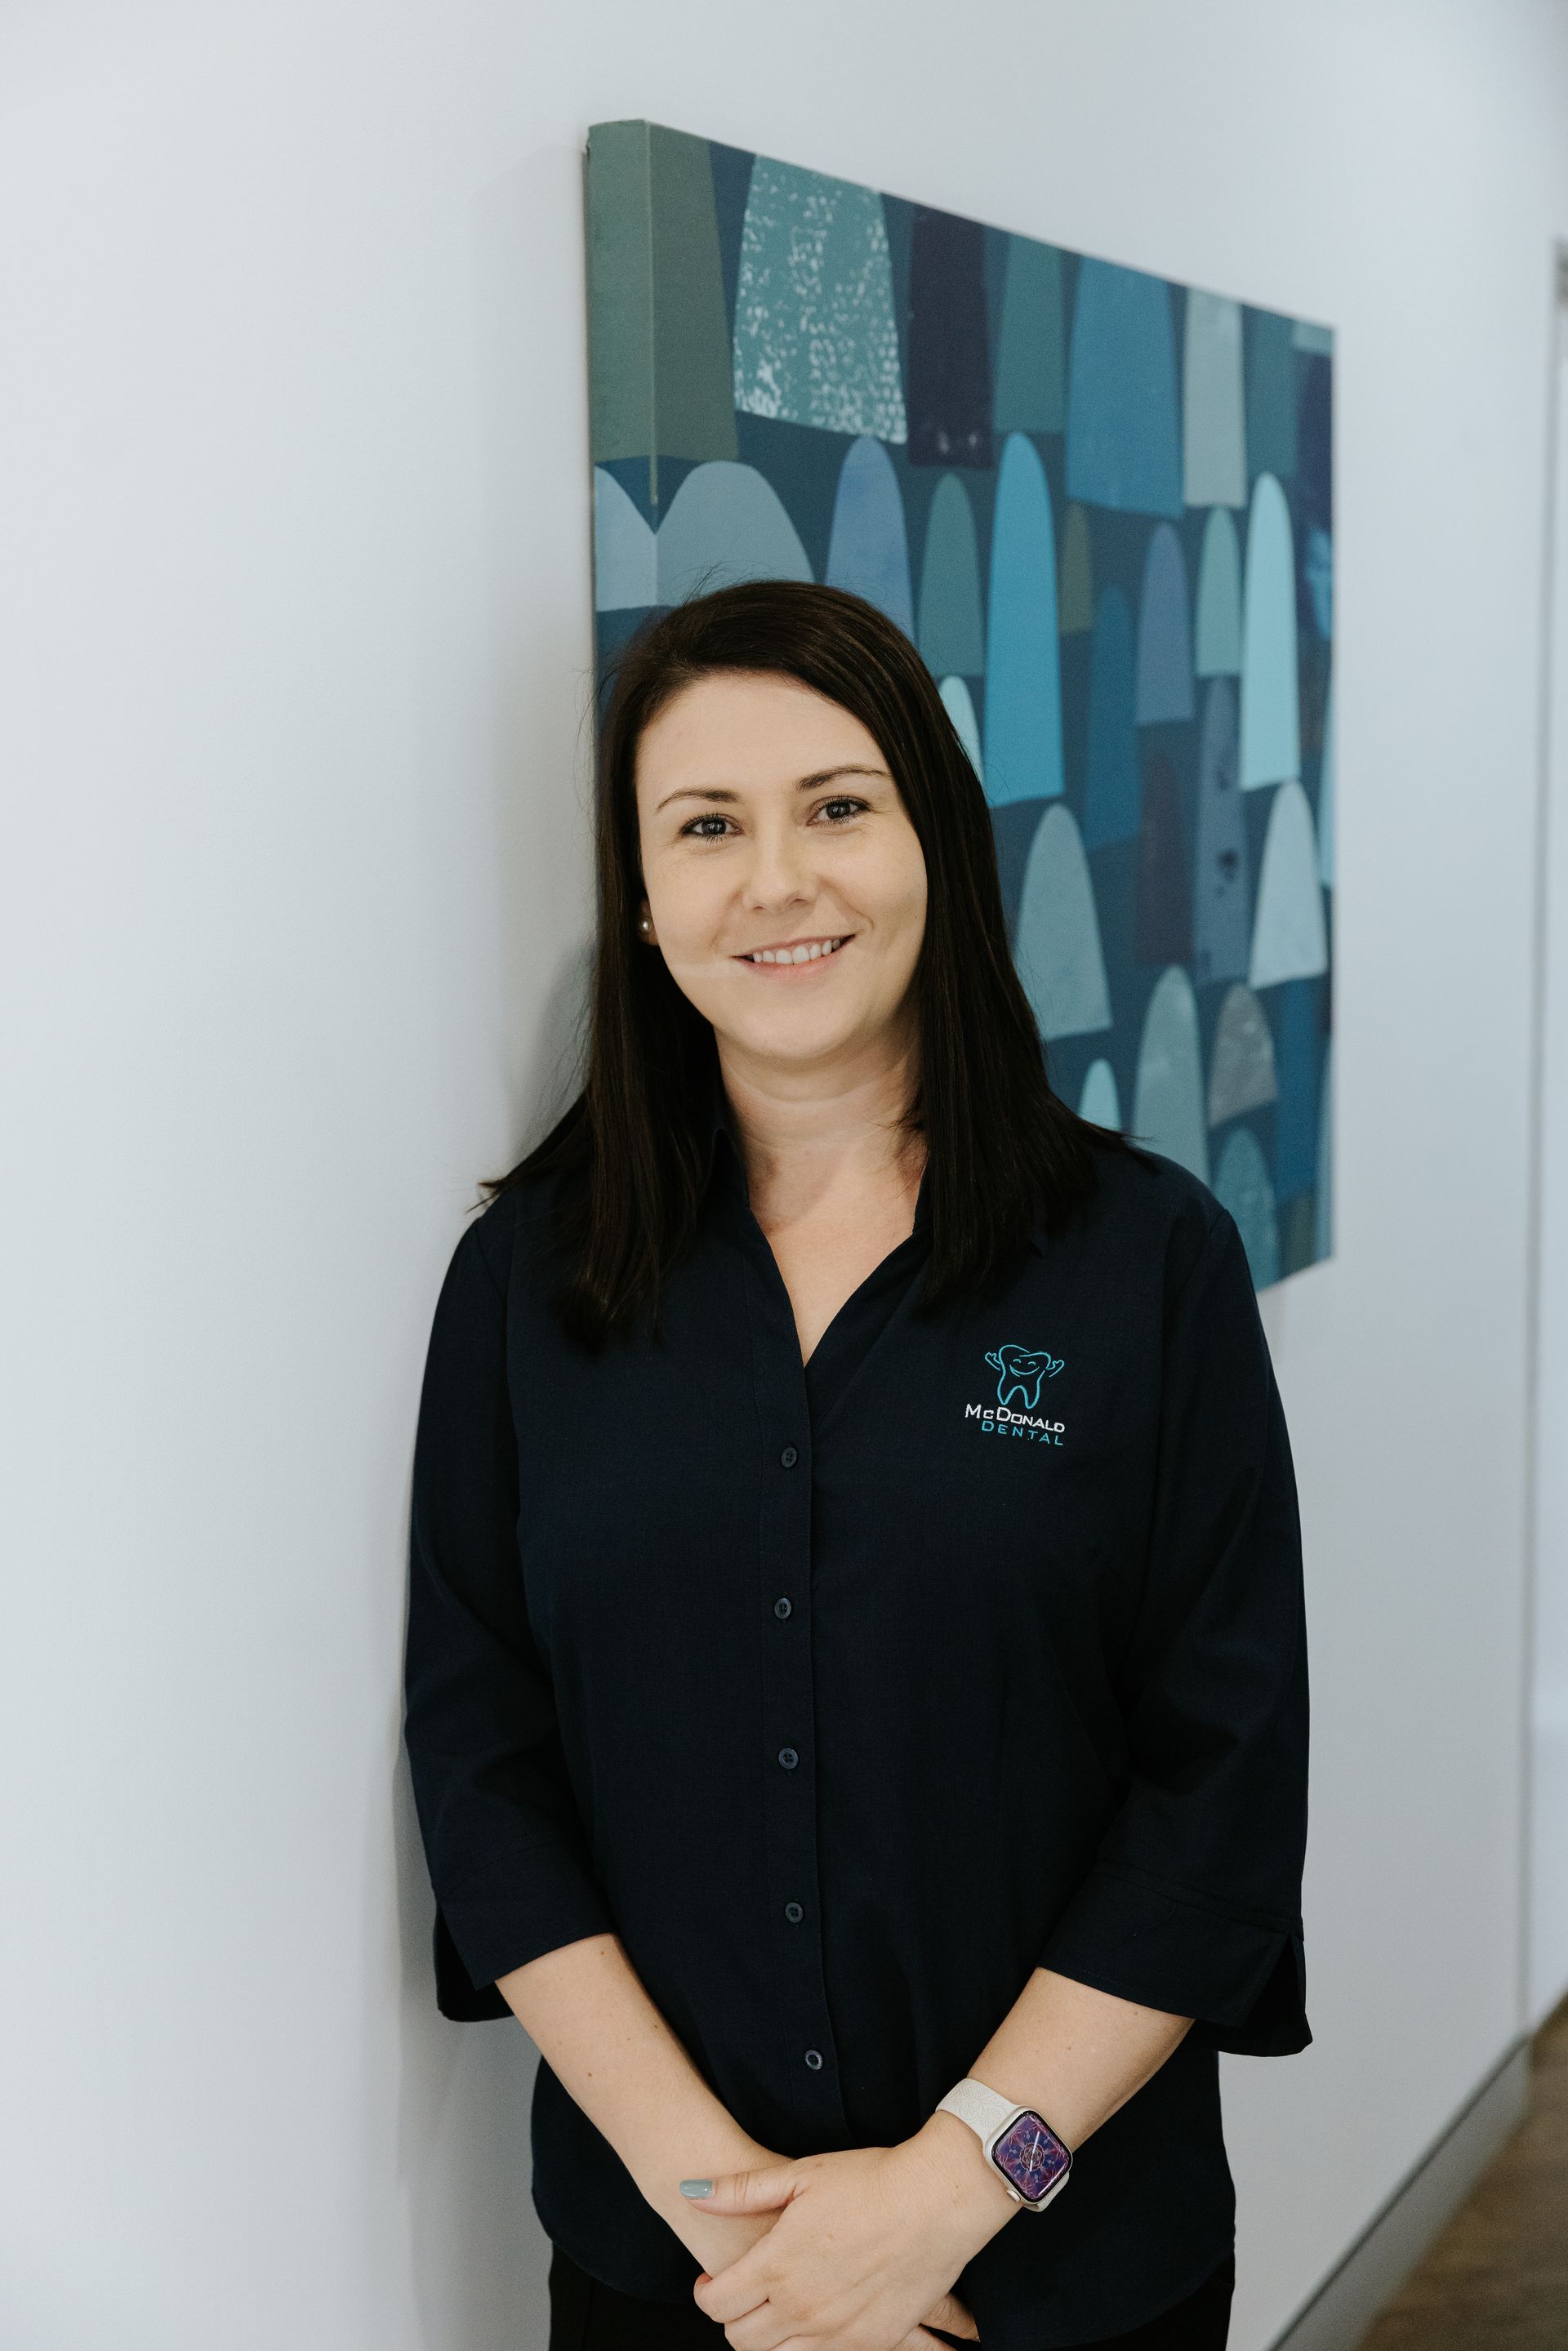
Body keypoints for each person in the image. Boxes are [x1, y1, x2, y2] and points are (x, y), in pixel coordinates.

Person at [402, 580, 1311, 2351]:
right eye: (708, 827)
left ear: (933, 847)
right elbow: (483, 1768)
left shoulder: (1146, 1264)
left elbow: (1222, 1788)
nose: (779, 881)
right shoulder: (527, 1285)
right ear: (646, 900)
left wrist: (952, 2191)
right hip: (669, 2271)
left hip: (1059, 2272)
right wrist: (741, 2232)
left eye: (837, 806)